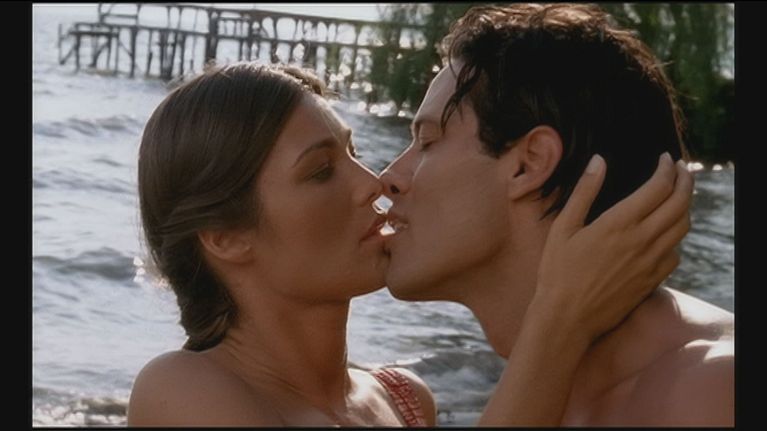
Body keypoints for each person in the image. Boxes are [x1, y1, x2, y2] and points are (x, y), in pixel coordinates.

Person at [127, 60, 691, 426]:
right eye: (321, 171)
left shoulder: (404, 399)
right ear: (226, 237)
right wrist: (559, 318)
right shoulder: (183, 393)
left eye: (353, 153)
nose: (372, 183)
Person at [380, 3, 733, 426]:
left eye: (427, 141)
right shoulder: (548, 389)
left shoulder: (709, 391)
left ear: (529, 163)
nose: (388, 178)